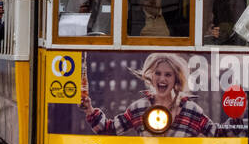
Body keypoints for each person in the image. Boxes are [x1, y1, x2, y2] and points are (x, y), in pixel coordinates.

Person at [82, 53, 218, 137]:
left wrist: (237, 120)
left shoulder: (192, 110)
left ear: (176, 79)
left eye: (168, 75)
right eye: (157, 73)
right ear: (151, 77)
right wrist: (89, 110)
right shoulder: (139, 107)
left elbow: (217, 134)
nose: (162, 79)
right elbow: (109, 129)